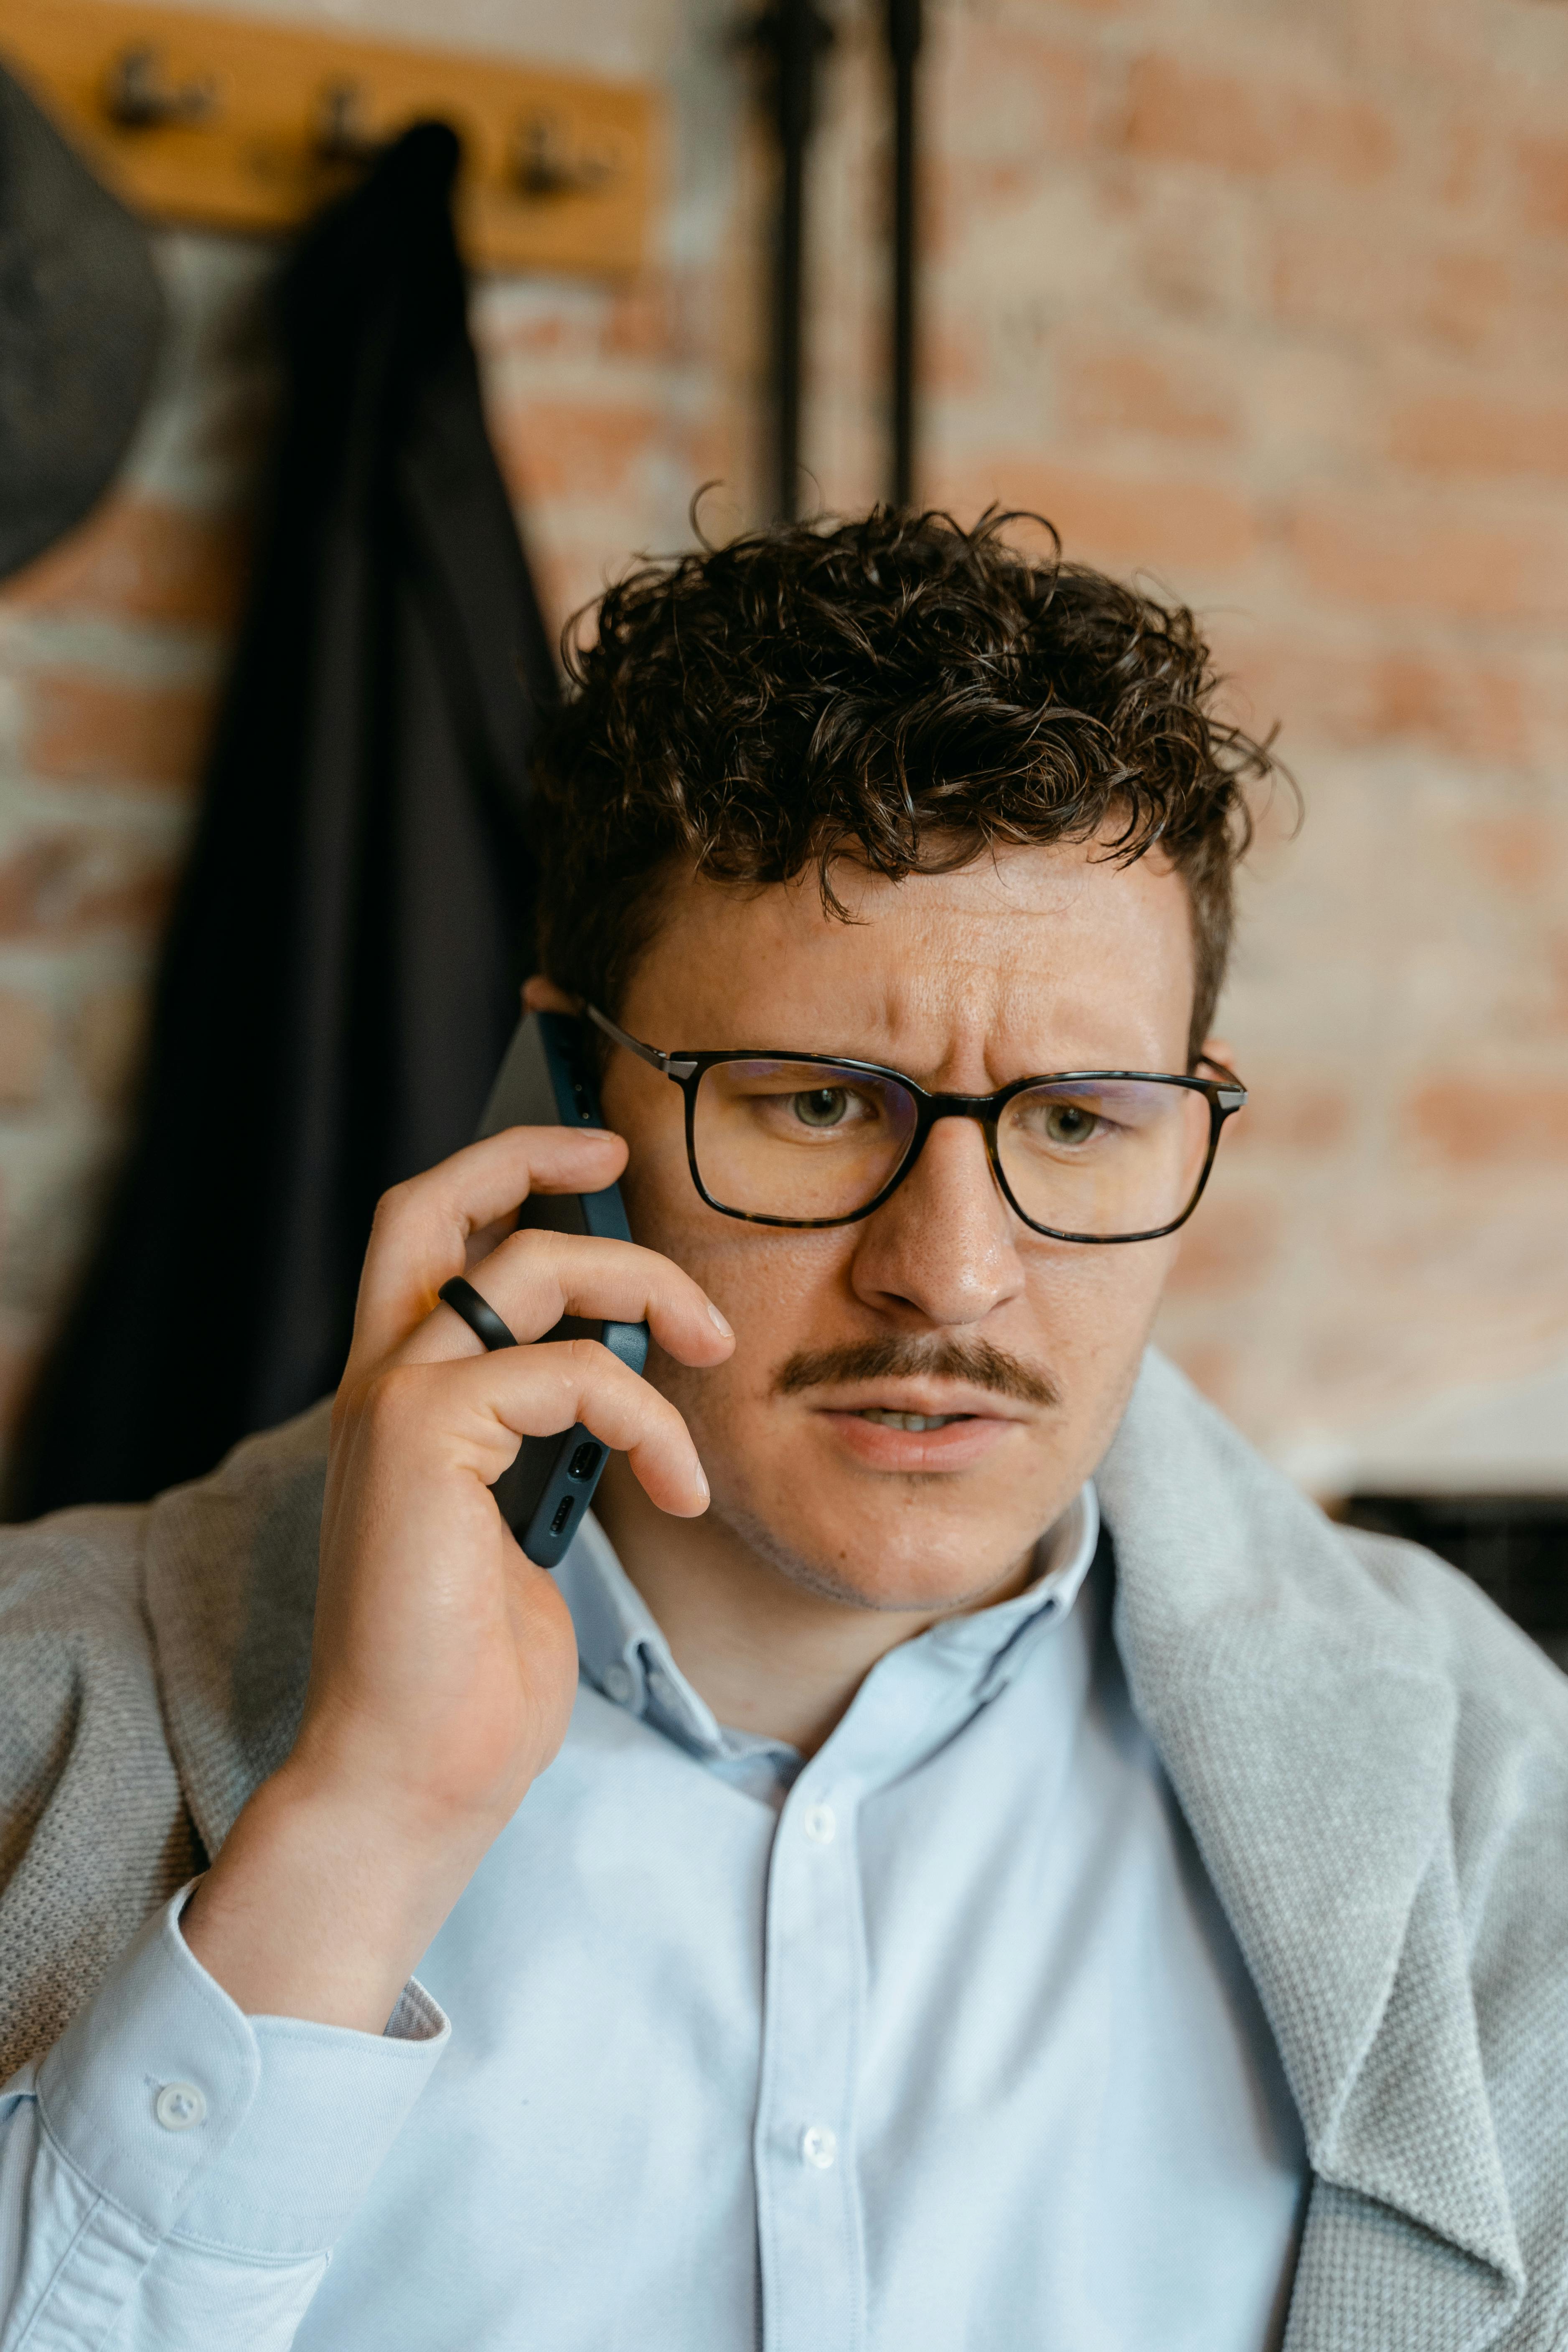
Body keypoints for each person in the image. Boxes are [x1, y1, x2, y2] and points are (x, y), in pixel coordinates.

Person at [0, 509, 1563, 2352]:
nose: (953, 1277)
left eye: (1079, 1120)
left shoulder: (1486, 1774)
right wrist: (357, 1828)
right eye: (820, 1102)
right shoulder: (44, 1700)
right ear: (566, 1095)